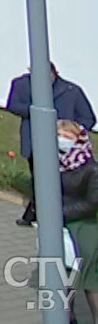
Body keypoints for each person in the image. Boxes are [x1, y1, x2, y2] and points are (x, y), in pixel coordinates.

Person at [6, 63, 96, 226]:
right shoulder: (21, 85)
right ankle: (36, 214)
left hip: (66, 150)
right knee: (40, 181)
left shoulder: (71, 91)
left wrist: (72, 132)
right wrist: (38, 111)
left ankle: (51, 215)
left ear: (54, 74)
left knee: (62, 184)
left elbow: (88, 118)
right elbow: (13, 105)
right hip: (35, 143)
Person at [59, 121, 98, 317]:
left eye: (67, 136)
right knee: (65, 277)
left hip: (83, 226)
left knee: (88, 278)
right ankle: (67, 316)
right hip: (61, 225)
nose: (62, 140)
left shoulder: (91, 169)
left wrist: (62, 212)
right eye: (59, 135)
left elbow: (92, 202)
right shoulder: (57, 164)